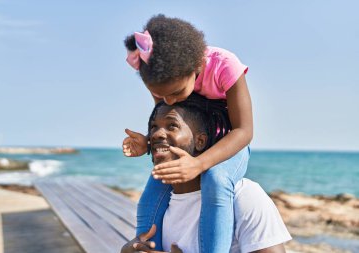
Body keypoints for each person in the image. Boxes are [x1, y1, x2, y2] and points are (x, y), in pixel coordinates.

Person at [123, 14, 253, 252]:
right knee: (151, 195)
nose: (169, 101)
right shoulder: (157, 73)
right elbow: (165, 117)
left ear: (194, 68)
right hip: (191, 146)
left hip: (228, 143)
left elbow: (244, 131)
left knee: (216, 179)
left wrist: (200, 164)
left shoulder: (224, 65)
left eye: (175, 92)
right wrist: (147, 144)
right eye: (162, 96)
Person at [121, 93, 291, 253]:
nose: (157, 134)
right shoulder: (158, 204)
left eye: (172, 125)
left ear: (200, 141)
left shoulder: (243, 196)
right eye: (153, 127)